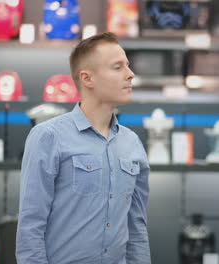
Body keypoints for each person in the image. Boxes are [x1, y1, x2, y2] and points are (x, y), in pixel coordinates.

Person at [16, 32, 151, 264]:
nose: (130, 74)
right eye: (118, 67)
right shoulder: (48, 137)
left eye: (127, 66)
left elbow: (136, 228)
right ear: (87, 78)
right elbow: (30, 227)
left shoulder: (132, 144)